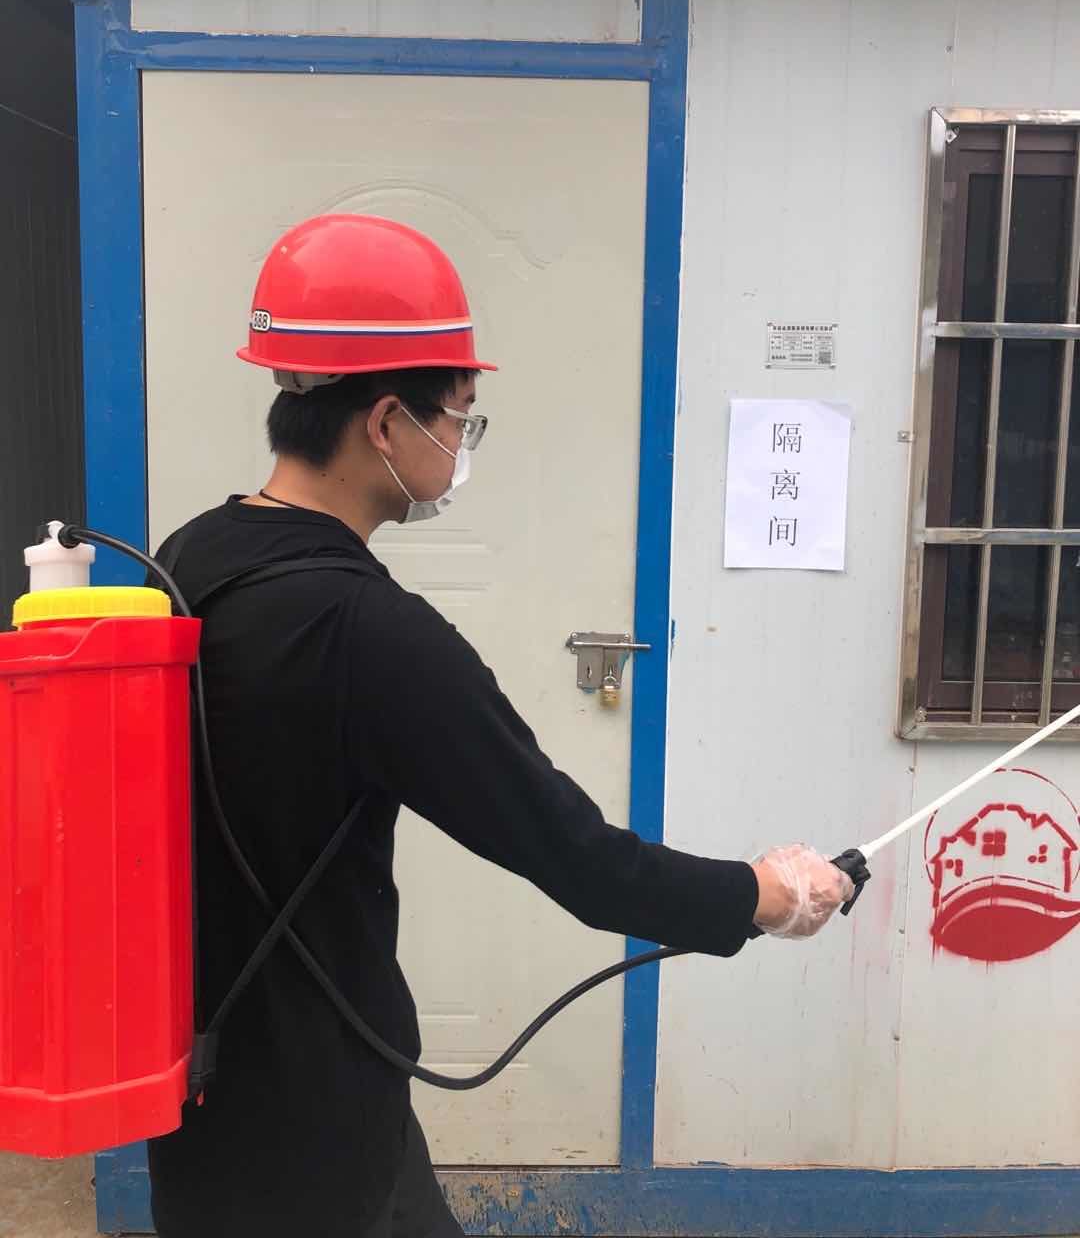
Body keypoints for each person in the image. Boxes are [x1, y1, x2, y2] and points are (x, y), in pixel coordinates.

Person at [146, 214, 853, 1238]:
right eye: (459, 418)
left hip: (202, 1086)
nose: (461, 445)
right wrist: (764, 895)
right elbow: (577, 858)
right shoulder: (372, 635)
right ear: (385, 423)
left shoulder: (188, 557)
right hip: (318, 1125)